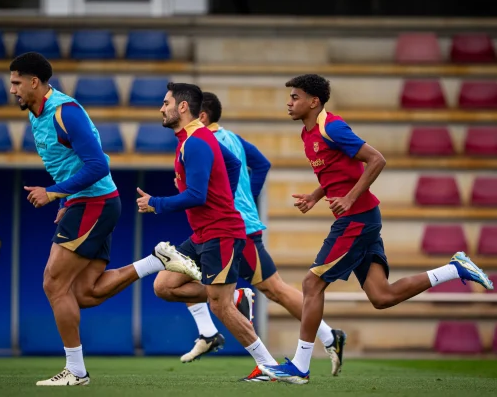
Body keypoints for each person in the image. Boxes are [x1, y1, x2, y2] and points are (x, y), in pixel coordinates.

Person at [259, 74, 494, 385]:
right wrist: (316, 196)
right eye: (290, 97)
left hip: (357, 219)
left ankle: (301, 366)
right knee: (382, 297)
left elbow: (376, 160)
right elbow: (335, 171)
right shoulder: (308, 132)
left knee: (311, 284)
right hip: (363, 218)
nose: (289, 103)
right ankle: (454, 269)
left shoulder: (333, 127)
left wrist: (350, 197)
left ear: (313, 101)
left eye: (295, 97)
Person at [9, 53, 201, 386]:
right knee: (85, 293)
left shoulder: (65, 112)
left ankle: (76, 372)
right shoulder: (36, 113)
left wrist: (55, 193)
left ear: (34, 83)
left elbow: (98, 166)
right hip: (86, 203)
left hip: (94, 203)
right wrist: (67, 198)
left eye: (16, 82)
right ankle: (156, 261)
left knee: (54, 284)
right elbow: (73, 163)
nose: (12, 89)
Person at [178, 92, 346, 380]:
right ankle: (211, 329)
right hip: (229, 224)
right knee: (179, 275)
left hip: (232, 227)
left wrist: (233, 201)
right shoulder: (232, 138)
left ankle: (326, 336)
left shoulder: (203, 142)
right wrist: (247, 196)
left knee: (274, 289)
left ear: (201, 116)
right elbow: (263, 164)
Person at [136, 82, 279, 372]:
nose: (162, 108)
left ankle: (269, 367)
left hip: (222, 233)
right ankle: (236, 295)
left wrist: (156, 203)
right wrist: (222, 191)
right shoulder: (195, 138)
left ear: (183, 107)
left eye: (166, 103)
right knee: (163, 286)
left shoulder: (197, 142)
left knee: (220, 307)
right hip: (203, 234)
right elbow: (234, 164)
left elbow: (197, 196)